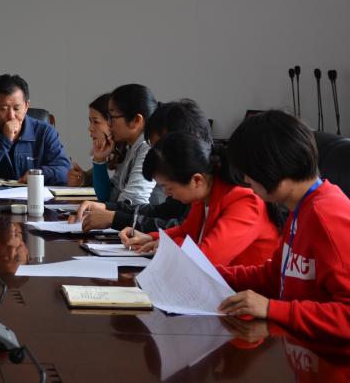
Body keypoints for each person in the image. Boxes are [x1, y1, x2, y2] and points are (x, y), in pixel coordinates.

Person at [217, 111, 350, 343]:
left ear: (271, 166)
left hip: (330, 359)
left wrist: (272, 308)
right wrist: (211, 274)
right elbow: (274, 277)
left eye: (248, 171)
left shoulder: (327, 217)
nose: (246, 180)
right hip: (299, 349)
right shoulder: (300, 208)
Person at [119, 131, 281, 265]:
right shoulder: (204, 195)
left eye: (168, 187)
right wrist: (150, 237)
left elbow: (206, 258)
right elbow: (186, 231)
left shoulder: (245, 202)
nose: (167, 194)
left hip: (244, 290)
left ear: (196, 180)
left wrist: (168, 245)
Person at [72, 99, 210, 232]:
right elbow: (163, 212)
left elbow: (179, 227)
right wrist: (107, 208)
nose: (110, 125)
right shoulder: (191, 179)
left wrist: (114, 217)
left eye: (112, 118)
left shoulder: (201, 185)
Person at [0, 74, 69, 184]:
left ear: (26, 106)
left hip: (32, 194)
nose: (11, 116)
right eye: (3, 109)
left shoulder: (45, 132)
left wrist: (38, 174)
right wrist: (4, 140)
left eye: (16, 108)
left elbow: (65, 172)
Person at [90, 83, 159, 206]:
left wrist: (97, 208)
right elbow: (109, 197)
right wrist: (99, 160)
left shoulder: (148, 149)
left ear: (136, 120)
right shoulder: (131, 147)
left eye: (113, 117)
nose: (109, 124)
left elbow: (132, 203)